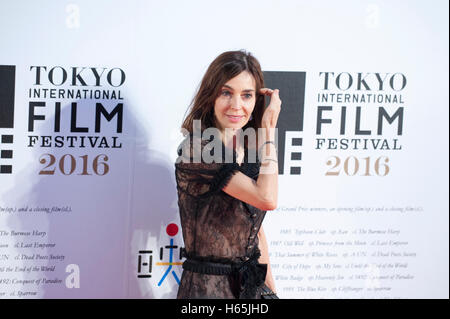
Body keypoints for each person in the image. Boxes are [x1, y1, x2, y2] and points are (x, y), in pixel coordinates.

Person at [174, 50, 281, 299]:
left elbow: (254, 230)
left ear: (256, 99)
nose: (236, 105)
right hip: (207, 290)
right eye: (226, 93)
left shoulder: (251, 147)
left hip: (251, 285)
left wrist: (272, 290)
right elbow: (267, 199)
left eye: (246, 95)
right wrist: (269, 130)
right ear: (210, 95)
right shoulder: (197, 149)